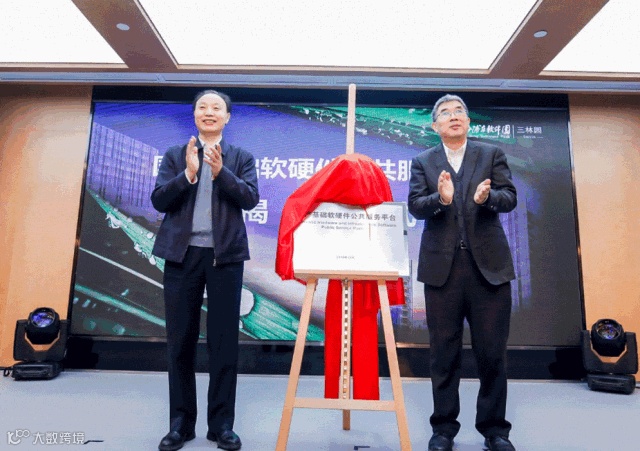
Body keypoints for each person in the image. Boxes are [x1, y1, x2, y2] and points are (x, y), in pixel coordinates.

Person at [408, 94, 517, 451]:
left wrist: (488, 199)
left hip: (490, 271)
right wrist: (441, 199)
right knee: (443, 354)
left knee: (492, 354)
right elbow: (415, 206)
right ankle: (443, 429)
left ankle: (495, 431)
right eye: (445, 113)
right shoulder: (423, 162)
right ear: (435, 126)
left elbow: (509, 197)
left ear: (468, 122)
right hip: (442, 272)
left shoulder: (491, 154)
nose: (453, 116)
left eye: (460, 112)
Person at [151, 90, 259, 451]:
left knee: (223, 343)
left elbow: (250, 199)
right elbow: (159, 200)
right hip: (181, 257)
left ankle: (222, 426)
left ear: (227, 117)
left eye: (216, 108)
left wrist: (219, 172)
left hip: (225, 258)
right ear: (194, 115)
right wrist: (189, 173)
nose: (208, 112)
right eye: (202, 107)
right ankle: (180, 425)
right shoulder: (175, 155)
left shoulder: (241, 157)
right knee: (180, 341)